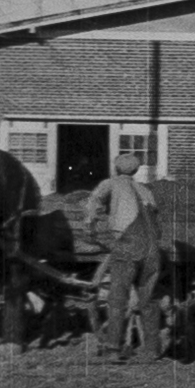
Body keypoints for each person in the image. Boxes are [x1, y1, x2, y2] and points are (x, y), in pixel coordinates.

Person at [84, 154, 162, 363]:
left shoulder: (111, 183)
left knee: (117, 298)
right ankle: (152, 349)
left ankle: (112, 349)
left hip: (128, 246)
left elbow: (95, 200)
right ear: (136, 171)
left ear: (116, 169)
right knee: (148, 299)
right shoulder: (145, 190)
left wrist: (90, 227)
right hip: (152, 249)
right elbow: (156, 219)